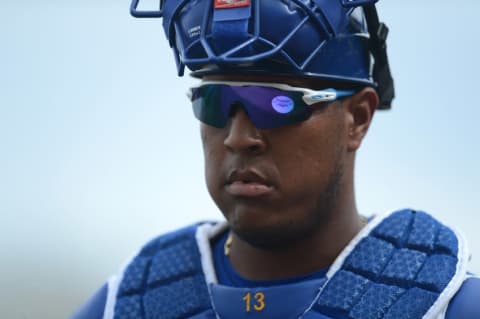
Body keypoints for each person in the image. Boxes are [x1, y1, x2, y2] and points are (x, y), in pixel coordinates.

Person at [72, 1, 480, 318]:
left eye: (277, 104)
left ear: (357, 118)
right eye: (213, 102)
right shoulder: (126, 304)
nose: (238, 138)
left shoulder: (445, 305)